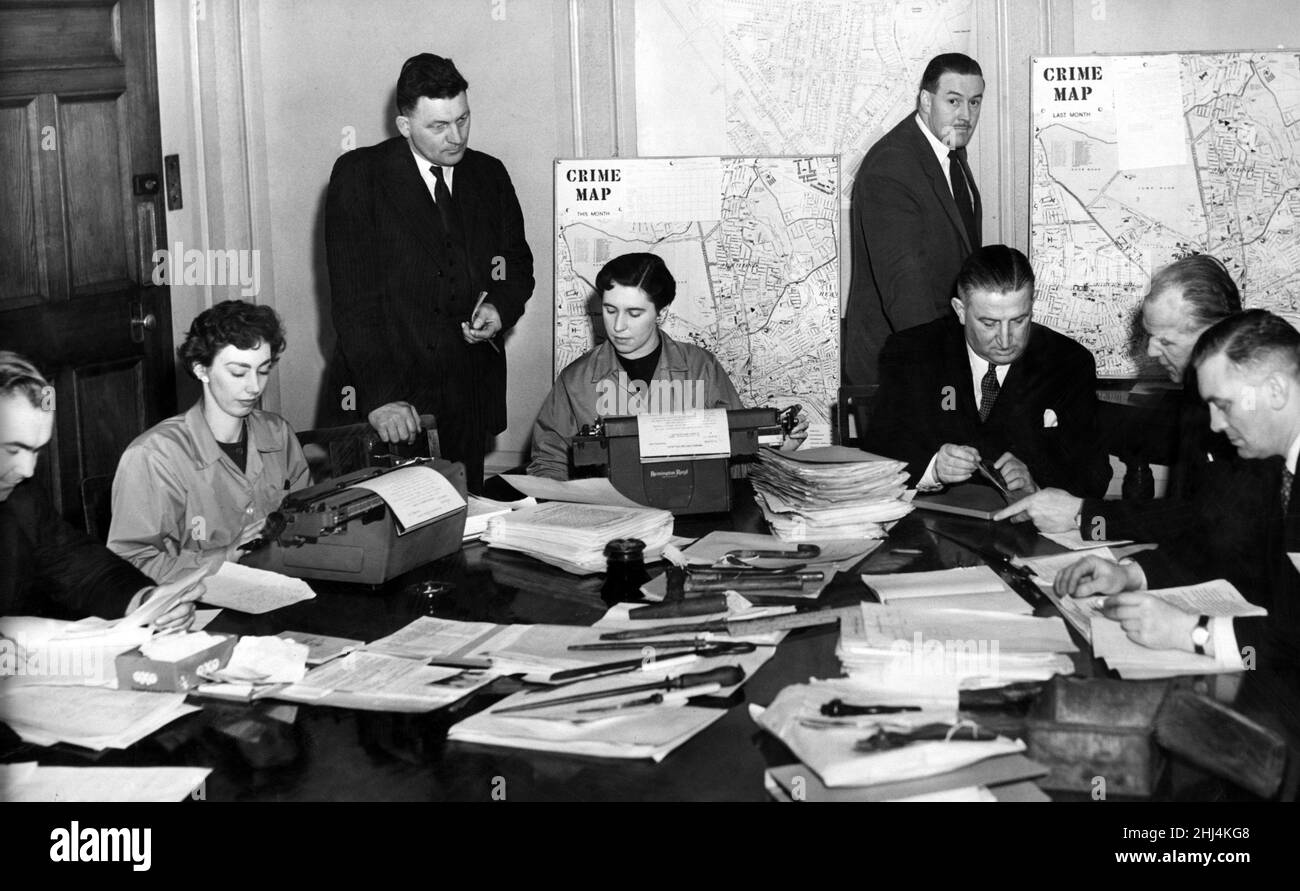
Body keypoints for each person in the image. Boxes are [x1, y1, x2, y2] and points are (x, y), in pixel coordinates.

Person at [325, 53, 534, 494]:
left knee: (464, 523)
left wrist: (499, 307)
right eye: (438, 126)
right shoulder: (360, 176)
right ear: (404, 126)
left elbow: (515, 264)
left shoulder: (489, 175)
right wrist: (381, 398)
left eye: (462, 119)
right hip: (388, 398)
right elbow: (353, 300)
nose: (455, 136)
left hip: (466, 396)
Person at [1056, 310, 1300, 666]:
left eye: (1224, 405)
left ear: (1276, 389)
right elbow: (1233, 551)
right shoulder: (1278, 462)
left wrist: (1191, 633)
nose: (1215, 424)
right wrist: (1130, 574)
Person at [997, 255, 1262, 571]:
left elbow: (1210, 518)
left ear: (1215, 334)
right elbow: (1186, 511)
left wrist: (1083, 514)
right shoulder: (1199, 390)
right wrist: (1134, 573)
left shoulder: (1252, 401)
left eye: (1165, 340)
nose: (1150, 351)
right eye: (1150, 335)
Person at [528, 253, 806, 480]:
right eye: (610, 310)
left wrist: (778, 451)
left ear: (662, 313)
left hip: (692, 517)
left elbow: (739, 462)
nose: (617, 326)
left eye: (634, 313)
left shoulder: (701, 369)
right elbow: (549, 462)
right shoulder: (575, 380)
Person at [864, 245, 1110, 497]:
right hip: (933, 522)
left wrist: (1036, 485)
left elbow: (1095, 473)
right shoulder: (913, 352)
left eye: (1018, 320)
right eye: (989, 323)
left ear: (1032, 304)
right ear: (961, 311)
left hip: (1027, 528)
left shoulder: (1068, 362)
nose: (1005, 340)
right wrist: (933, 468)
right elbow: (878, 452)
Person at [108, 301, 309, 582]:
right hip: (194, 606)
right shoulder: (154, 455)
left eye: (262, 371)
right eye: (238, 373)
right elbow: (129, 565)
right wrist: (223, 557)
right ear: (201, 370)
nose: (254, 387)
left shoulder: (277, 434)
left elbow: (306, 521)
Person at [0, 352, 200, 626]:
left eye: (36, 451)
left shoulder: (21, 495)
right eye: (13, 449)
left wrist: (146, 601)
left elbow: (80, 566)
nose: (27, 470)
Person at [843, 52, 984, 387]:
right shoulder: (892, 165)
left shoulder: (948, 149)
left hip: (939, 354)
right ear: (925, 100)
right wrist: (949, 375)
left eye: (975, 102)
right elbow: (905, 292)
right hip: (903, 367)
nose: (965, 115)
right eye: (953, 100)